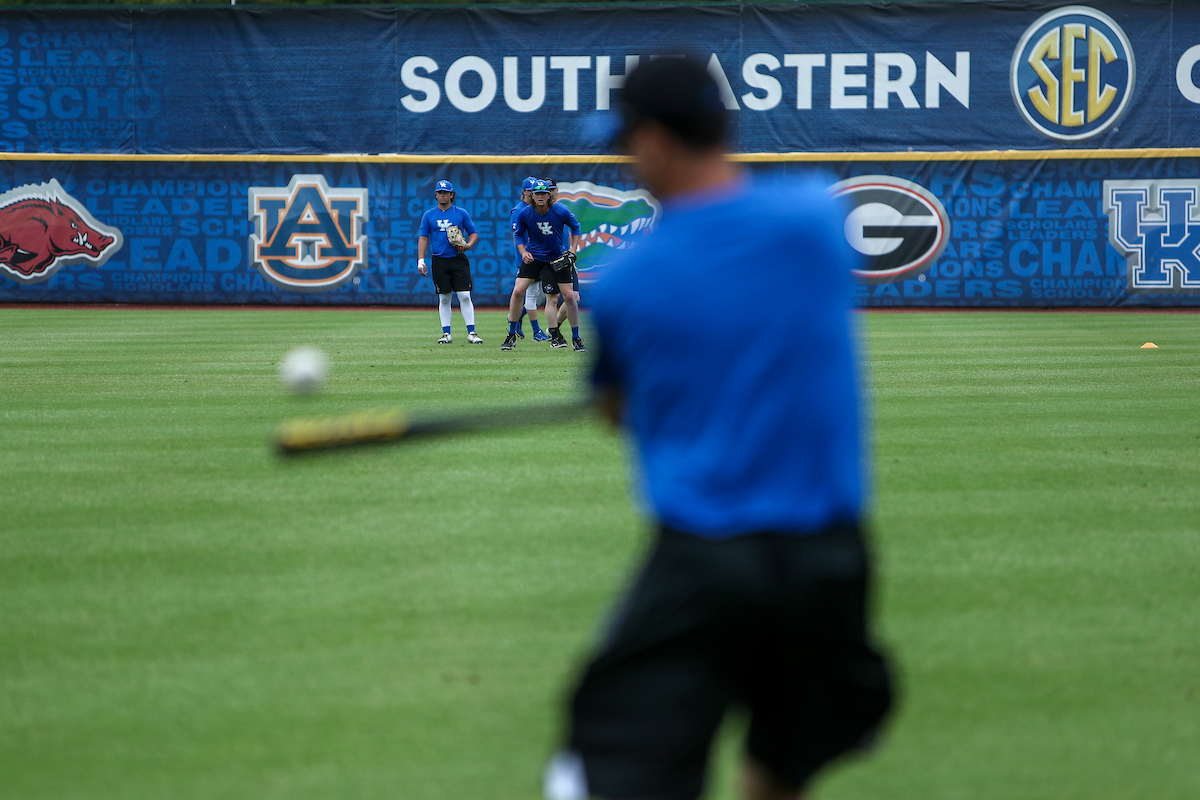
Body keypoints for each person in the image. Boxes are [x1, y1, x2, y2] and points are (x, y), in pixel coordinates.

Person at [542, 57, 893, 800]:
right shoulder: (815, 222)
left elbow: (618, 412)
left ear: (660, 143)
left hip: (705, 562)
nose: (627, 160)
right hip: (831, 562)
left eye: (628, 143)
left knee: (602, 763)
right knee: (786, 753)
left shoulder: (632, 282)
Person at [503, 180, 583, 351]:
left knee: (569, 296)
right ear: (531, 195)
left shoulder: (560, 210)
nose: (540, 196)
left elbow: (576, 227)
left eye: (543, 193)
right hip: (535, 257)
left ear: (549, 196)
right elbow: (518, 234)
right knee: (518, 291)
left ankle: (576, 338)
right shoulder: (525, 213)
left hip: (556, 257)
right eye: (537, 193)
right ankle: (511, 334)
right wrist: (523, 252)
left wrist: (573, 249)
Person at [417, 179, 482, 344]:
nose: (442, 195)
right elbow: (423, 238)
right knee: (444, 298)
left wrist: (468, 245)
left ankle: (472, 332)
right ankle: (446, 334)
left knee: (465, 296)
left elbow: (473, 233)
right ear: (435, 195)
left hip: (458, 259)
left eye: (446, 192)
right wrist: (420, 260)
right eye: (440, 192)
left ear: (452, 195)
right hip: (439, 260)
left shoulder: (460, 213)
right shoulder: (429, 215)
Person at [509, 176, 551, 342]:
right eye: (531, 190)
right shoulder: (519, 210)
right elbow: (517, 235)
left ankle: (517, 316)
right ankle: (536, 331)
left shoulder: (537, 210)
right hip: (527, 258)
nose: (534, 193)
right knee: (533, 295)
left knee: (540, 295)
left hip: (541, 257)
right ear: (524, 192)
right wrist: (524, 253)